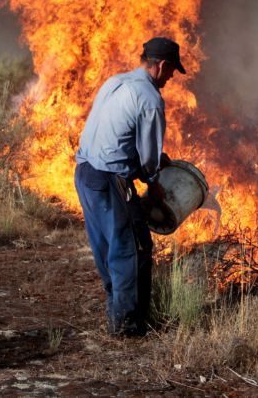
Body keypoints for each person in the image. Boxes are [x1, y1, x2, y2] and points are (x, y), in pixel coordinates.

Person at [74, 36, 186, 336]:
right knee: (132, 248)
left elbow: (114, 133)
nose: (173, 76)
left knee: (105, 244)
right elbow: (148, 157)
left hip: (85, 173)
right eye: (173, 69)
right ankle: (127, 327)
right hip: (111, 179)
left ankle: (115, 313)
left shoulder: (115, 82)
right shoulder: (150, 98)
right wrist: (153, 182)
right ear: (161, 66)